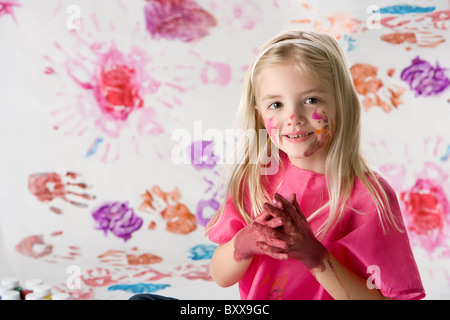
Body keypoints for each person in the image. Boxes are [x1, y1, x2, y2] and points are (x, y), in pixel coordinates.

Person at [206, 29, 425, 300]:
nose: (294, 117)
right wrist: (243, 244)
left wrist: (315, 256)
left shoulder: (368, 197)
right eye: (276, 104)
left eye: (311, 100)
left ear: (340, 104)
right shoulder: (257, 177)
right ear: (260, 116)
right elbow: (219, 276)